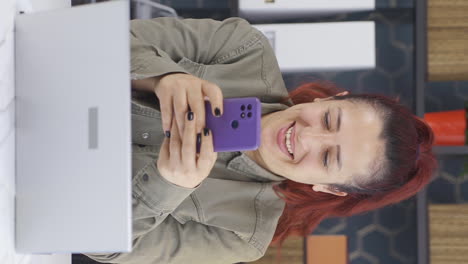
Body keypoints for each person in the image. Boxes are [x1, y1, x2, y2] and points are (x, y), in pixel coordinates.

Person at [84, 17, 437, 264]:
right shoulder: (244, 49)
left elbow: (102, 247)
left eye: (328, 158)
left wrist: (166, 185)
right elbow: (97, 38)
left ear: (328, 188)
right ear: (329, 99)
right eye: (329, 120)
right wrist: (162, 77)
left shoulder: (242, 236)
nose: (306, 135)